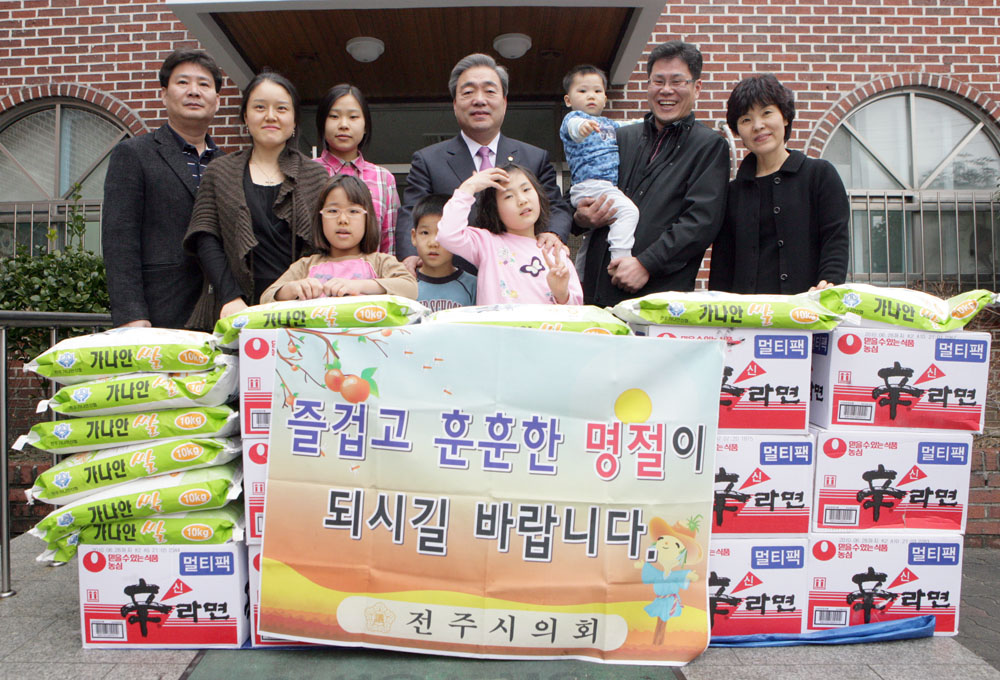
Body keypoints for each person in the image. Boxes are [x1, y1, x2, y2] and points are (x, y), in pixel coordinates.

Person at [575, 41, 730, 306]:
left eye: (677, 81)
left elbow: (700, 221)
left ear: (697, 88)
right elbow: (586, 182)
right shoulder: (621, 137)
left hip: (659, 299)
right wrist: (580, 217)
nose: (666, 90)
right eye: (658, 81)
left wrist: (647, 263)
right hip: (596, 293)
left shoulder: (708, 146)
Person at [396, 53, 573, 273]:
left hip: (521, 279)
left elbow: (556, 207)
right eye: (468, 92)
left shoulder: (534, 158)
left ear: (505, 102)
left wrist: (553, 234)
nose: (479, 100)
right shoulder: (428, 160)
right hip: (451, 278)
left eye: (489, 91)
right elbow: (413, 212)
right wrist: (410, 257)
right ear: (455, 104)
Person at [183, 71, 329, 327]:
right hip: (235, 308)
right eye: (260, 107)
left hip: (300, 308)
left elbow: (325, 244)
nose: (270, 116)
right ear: (245, 117)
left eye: (281, 108)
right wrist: (230, 296)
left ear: (294, 119)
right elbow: (206, 238)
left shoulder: (315, 175)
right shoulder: (220, 171)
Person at [102, 49, 223, 329]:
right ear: (164, 94)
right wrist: (131, 314)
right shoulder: (133, 154)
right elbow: (119, 242)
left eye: (204, 84)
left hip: (220, 315)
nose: (194, 91)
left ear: (217, 101)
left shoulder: (228, 164)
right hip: (158, 314)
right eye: (183, 82)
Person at [709, 74, 850, 294]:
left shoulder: (819, 175)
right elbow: (722, 264)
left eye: (766, 113)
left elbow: (835, 239)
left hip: (807, 311)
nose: (758, 126)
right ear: (738, 131)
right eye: (746, 120)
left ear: (785, 117)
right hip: (746, 318)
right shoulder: (733, 192)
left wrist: (829, 283)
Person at [436, 164, 582, 306]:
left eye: (526, 189)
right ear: (494, 209)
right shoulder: (486, 243)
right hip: (500, 330)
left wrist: (561, 293)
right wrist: (468, 188)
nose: (522, 200)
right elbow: (448, 234)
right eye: (508, 196)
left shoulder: (554, 250)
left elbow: (576, 313)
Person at [260, 175, 416, 303]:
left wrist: (359, 286)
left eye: (353, 211)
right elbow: (266, 298)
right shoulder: (305, 266)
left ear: (368, 219)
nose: (343, 219)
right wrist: (292, 289)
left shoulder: (380, 262)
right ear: (319, 218)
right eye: (333, 211)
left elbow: (411, 288)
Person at [559, 64, 640, 275]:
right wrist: (582, 128)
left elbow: (631, 126)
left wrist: (646, 121)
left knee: (593, 235)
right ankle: (620, 258)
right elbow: (574, 129)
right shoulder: (573, 119)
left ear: (605, 98)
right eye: (583, 91)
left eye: (597, 91)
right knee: (629, 212)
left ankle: (581, 277)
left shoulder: (608, 124)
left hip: (601, 187)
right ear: (568, 100)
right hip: (589, 186)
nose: (591, 96)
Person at [314, 84, 398, 255]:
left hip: (369, 279)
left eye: (353, 117)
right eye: (334, 116)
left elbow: (388, 243)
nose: (344, 125)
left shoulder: (383, 178)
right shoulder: (307, 172)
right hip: (315, 278)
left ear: (365, 125)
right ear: (323, 122)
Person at [409, 194, 477, 311]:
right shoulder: (404, 284)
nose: (433, 243)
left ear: (456, 237)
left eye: (441, 233)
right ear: (414, 237)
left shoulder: (473, 286)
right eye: (425, 233)